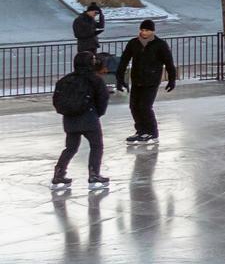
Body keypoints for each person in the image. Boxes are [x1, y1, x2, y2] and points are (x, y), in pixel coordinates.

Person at [51, 51, 112, 191]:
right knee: (96, 146)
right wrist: (97, 113)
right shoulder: (95, 80)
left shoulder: (65, 80)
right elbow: (103, 99)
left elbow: (57, 99)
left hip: (70, 119)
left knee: (70, 148)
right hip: (89, 118)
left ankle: (59, 173)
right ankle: (94, 174)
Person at [115, 19, 176, 144]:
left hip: (151, 81)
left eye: (147, 30)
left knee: (145, 107)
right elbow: (124, 61)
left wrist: (172, 80)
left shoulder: (160, 44)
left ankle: (152, 132)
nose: (144, 33)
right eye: (142, 30)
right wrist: (119, 78)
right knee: (134, 106)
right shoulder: (134, 43)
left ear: (152, 31)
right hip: (137, 80)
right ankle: (141, 131)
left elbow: (169, 63)